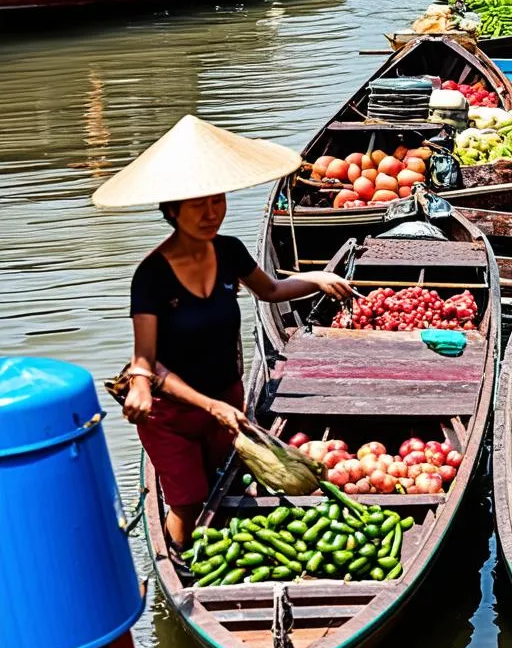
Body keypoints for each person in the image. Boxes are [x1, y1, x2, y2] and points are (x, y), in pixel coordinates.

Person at [92, 115, 353, 551]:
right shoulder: (151, 277)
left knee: (221, 479)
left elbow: (271, 290)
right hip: (172, 414)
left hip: (228, 401)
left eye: (218, 201)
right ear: (172, 210)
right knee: (187, 500)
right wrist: (143, 386)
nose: (212, 213)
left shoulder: (229, 251)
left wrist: (316, 278)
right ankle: (184, 569)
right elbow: (146, 361)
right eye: (198, 205)